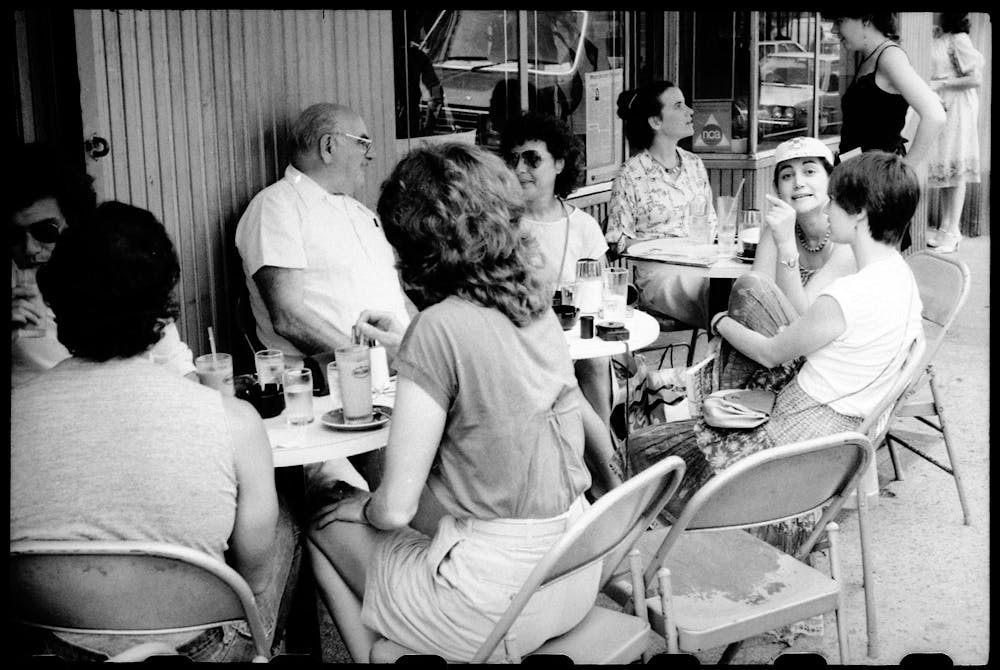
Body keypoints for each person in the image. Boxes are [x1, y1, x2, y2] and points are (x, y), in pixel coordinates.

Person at [307, 143, 618, 662]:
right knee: (428, 525)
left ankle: (385, 656)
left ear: (415, 240)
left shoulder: (440, 328)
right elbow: (489, 364)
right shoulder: (532, 304)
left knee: (323, 521)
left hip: (496, 609)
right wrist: (409, 343)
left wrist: (356, 503)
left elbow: (395, 508)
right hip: (572, 571)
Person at [11, 202, 299, 662]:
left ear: (56, 304)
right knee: (284, 516)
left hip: (54, 646)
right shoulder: (234, 422)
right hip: (203, 650)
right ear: (164, 309)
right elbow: (256, 579)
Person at [626, 152, 923, 558]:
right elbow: (798, 322)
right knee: (753, 294)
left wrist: (718, 323)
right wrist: (785, 247)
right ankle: (694, 393)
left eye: (835, 200)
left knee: (642, 449)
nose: (827, 208)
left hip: (786, 445)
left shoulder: (847, 297)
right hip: (841, 440)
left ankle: (658, 558)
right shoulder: (899, 278)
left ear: (859, 214)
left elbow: (769, 353)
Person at [234, 103, 411, 369]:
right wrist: (368, 363)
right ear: (328, 146)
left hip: (399, 372)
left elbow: (399, 298)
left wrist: (420, 353)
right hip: (332, 382)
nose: (371, 155)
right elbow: (289, 318)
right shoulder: (277, 205)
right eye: (363, 143)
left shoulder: (364, 215)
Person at [10, 143, 195, 387]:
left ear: (75, 222)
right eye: (13, 235)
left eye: (45, 231)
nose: (30, 248)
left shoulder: (115, 272)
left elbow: (178, 367)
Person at [499, 111, 615, 428]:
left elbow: (601, 297)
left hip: (574, 340)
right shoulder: (499, 225)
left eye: (532, 160)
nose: (520, 169)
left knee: (595, 361)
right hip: (519, 342)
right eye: (513, 159)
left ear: (559, 164)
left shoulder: (583, 227)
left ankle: (601, 455)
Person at [606, 80, 718, 330]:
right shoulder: (631, 174)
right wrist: (672, 246)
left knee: (738, 283)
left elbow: (711, 224)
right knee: (716, 294)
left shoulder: (695, 164)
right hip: (660, 275)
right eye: (678, 106)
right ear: (655, 121)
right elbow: (618, 241)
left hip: (701, 263)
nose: (690, 111)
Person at [827, 13, 946, 167]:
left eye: (839, 20)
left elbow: (935, 115)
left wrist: (904, 171)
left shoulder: (890, 57)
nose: (833, 30)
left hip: (877, 178)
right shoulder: (871, 57)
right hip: (859, 172)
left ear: (866, 19)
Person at [926, 12, 984, 254]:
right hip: (941, 105)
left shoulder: (958, 39)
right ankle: (944, 227)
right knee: (944, 165)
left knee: (956, 164)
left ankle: (953, 230)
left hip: (958, 106)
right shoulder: (941, 36)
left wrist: (941, 83)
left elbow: (975, 78)